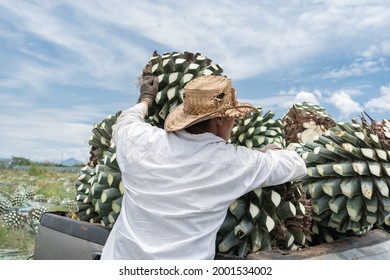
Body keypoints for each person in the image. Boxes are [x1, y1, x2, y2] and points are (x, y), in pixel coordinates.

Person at [101, 75, 307, 260]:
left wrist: (146, 98)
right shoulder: (233, 163)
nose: (234, 124)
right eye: (233, 117)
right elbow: (296, 164)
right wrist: (269, 152)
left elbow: (126, 121)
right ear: (219, 119)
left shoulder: (140, 140)